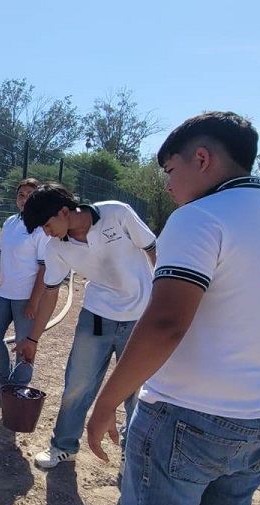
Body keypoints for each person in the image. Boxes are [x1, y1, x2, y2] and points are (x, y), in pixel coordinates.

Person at [84, 112, 260, 505]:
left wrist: (106, 404)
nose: (168, 185)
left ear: (201, 159)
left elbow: (165, 323)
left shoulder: (197, 218)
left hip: (184, 415)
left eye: (170, 170)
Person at [16, 183, 157, 469]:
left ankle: (133, 456)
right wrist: (32, 339)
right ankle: (64, 446)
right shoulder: (57, 247)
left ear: (64, 211)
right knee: (78, 384)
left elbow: (153, 249)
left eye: (47, 224)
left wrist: (164, 298)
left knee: (136, 390)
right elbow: (51, 292)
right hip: (97, 316)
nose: (47, 233)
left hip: (140, 316)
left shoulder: (117, 213)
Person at [0, 178, 49, 392]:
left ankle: (20, 384)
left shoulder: (41, 228)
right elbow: (0, 253)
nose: (24, 199)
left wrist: (34, 301)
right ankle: (2, 377)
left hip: (26, 296)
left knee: (23, 342)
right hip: (4, 292)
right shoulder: (10, 222)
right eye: (21, 194)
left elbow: (44, 267)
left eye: (30, 195)